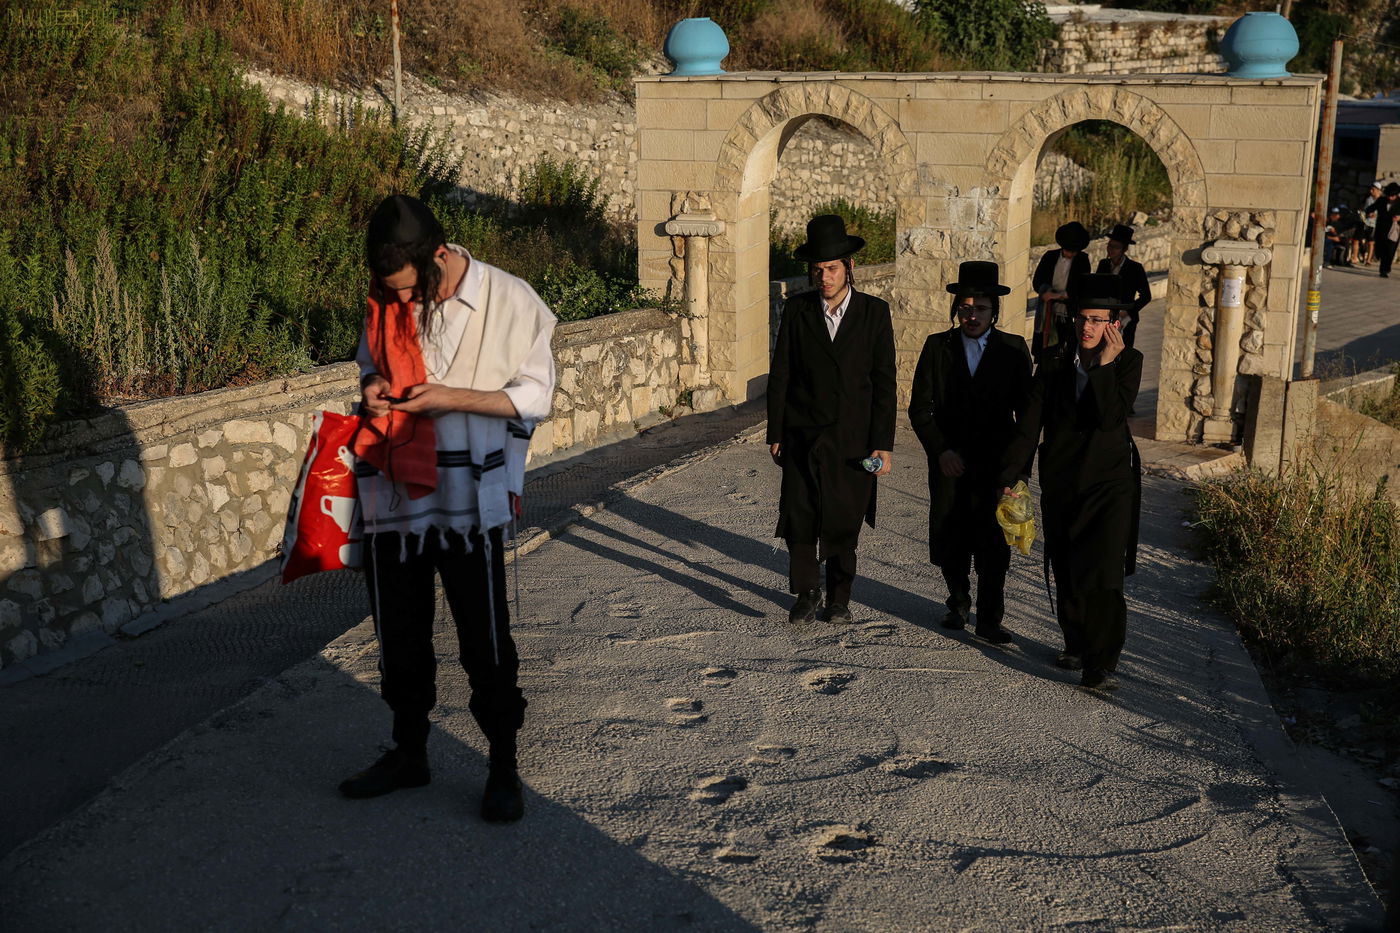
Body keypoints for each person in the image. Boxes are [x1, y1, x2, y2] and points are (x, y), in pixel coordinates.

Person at [340, 194, 557, 822]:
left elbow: (532, 397)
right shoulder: (386, 296)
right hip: (394, 498)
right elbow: (368, 362)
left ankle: (504, 767)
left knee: (484, 640)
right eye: (392, 293)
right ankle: (410, 754)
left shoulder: (509, 299)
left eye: (411, 290)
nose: (403, 305)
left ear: (438, 256)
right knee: (398, 638)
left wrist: (448, 399)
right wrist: (373, 388)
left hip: (468, 503)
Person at [1000, 274, 1142, 691]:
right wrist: (1014, 476)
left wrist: (1104, 367)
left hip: (1110, 483)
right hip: (1062, 480)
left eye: (1097, 320)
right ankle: (1075, 642)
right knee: (1066, 565)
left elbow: (1110, 418)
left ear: (1114, 323)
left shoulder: (1129, 362)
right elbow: (1029, 426)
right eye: (1082, 318)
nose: (1087, 328)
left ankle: (1100, 663)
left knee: (1103, 573)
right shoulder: (1053, 360)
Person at [768, 214, 896, 625]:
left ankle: (839, 597)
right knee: (800, 517)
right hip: (803, 434)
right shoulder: (798, 311)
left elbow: (884, 382)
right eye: (818, 269)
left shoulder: (875, 313)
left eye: (832, 268)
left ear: (849, 268)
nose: (824, 276)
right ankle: (806, 592)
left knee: (844, 520)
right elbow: (782, 374)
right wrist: (776, 432)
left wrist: (883, 443)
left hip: (854, 439)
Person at [909, 261, 1032, 644]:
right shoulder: (937, 347)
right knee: (951, 535)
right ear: (956, 310)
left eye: (980, 308)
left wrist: (1016, 473)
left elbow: (1027, 418)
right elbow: (920, 408)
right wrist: (940, 450)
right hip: (951, 465)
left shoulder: (1013, 349)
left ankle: (991, 619)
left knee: (994, 544)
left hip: (997, 465)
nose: (972, 315)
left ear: (994, 311)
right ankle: (958, 602)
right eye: (965, 308)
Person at [1031, 221, 1092, 361]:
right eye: (1069, 250)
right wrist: (1047, 292)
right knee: (1046, 348)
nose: (1071, 254)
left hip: (1069, 313)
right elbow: (1038, 282)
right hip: (1048, 313)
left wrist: (1059, 296)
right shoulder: (1049, 257)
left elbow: (1082, 286)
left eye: (1074, 251)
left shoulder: (1082, 261)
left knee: (1067, 350)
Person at [1094, 224, 1152, 349]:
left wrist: (1127, 311)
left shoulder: (1135, 268)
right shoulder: (1103, 265)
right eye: (1109, 245)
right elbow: (1097, 288)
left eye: (1115, 247)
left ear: (1124, 249)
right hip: (1104, 317)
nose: (1110, 249)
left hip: (1126, 319)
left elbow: (1146, 296)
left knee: (1123, 352)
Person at [1373, 182, 1400, 279]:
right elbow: (1372, 207)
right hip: (1382, 229)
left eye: (1392, 196)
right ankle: (1383, 267)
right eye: (1389, 195)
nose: (1390, 198)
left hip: (1394, 231)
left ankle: (1384, 269)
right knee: (1381, 249)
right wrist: (1368, 212)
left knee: (1390, 251)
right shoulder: (1381, 200)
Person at [1354, 183, 1381, 265]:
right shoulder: (1367, 198)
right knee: (1356, 240)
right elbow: (1363, 209)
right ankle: (1354, 257)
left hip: (1373, 224)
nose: (1371, 191)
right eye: (1371, 189)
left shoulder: (1381, 200)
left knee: (1371, 242)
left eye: (1373, 189)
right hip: (1364, 221)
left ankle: (1368, 260)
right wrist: (1365, 213)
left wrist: (1376, 214)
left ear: (1378, 190)